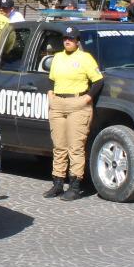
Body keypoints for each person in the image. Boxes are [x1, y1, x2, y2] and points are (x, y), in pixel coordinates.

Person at [45, 26, 104, 200]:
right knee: (59, 146)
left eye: (71, 38)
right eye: (65, 38)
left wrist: (87, 98)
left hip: (77, 104)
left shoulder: (85, 58)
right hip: (58, 104)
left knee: (75, 147)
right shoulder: (57, 57)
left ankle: (75, 185)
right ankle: (57, 183)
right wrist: (50, 93)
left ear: (78, 41)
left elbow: (98, 81)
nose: (67, 41)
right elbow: (51, 79)